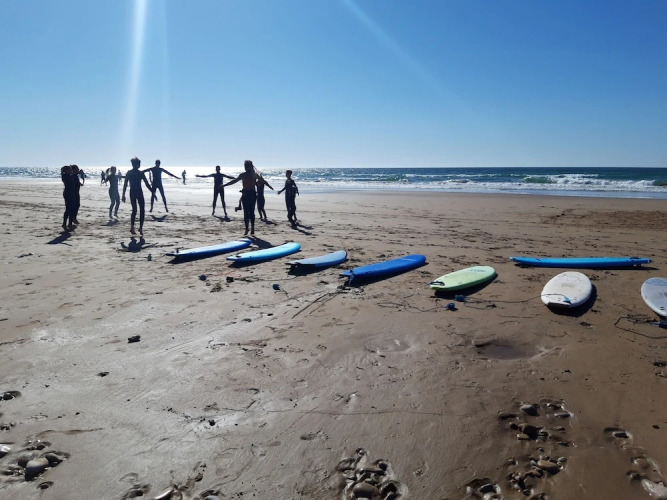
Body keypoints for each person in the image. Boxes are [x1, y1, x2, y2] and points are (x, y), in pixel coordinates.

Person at [223, 160, 261, 235]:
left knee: (251, 212)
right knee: (247, 212)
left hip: (251, 194)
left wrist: (258, 183)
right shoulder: (244, 175)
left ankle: (252, 228)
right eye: (245, 166)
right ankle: (247, 228)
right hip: (246, 194)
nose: (245, 167)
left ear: (249, 166)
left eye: (246, 166)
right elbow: (234, 181)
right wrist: (225, 185)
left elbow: (261, 182)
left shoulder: (253, 174)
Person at [122, 157, 152, 235]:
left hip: (132, 192)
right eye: (139, 164)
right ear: (137, 164)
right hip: (139, 192)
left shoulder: (129, 173)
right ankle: (140, 228)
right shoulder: (140, 173)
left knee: (134, 210)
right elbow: (147, 184)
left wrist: (123, 194)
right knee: (142, 210)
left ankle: (132, 227)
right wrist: (153, 192)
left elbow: (125, 184)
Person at [60, 165, 75, 231]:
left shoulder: (66, 176)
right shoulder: (67, 176)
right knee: (69, 209)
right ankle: (66, 223)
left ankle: (69, 223)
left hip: (70, 193)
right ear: (66, 171)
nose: (71, 171)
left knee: (71, 209)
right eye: (70, 170)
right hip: (68, 194)